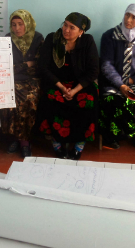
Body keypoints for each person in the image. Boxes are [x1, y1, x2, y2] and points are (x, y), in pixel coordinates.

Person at [37, 13, 99, 160]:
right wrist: (61, 87)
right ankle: (57, 142)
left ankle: (79, 144)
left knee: (88, 101)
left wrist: (76, 89)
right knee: (51, 100)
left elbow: (94, 70)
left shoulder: (87, 41)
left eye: (72, 27)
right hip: (57, 82)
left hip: (80, 84)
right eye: (65, 25)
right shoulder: (53, 39)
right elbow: (43, 67)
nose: (66, 30)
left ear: (81, 32)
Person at [99, 4, 135, 149]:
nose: (128, 20)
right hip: (113, 82)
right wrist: (121, 84)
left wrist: (132, 80)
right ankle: (112, 135)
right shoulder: (109, 36)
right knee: (111, 100)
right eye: (127, 15)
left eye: (134, 17)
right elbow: (106, 65)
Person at [0, 10, 44, 158]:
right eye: (13, 25)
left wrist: (19, 67)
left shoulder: (37, 38)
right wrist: (26, 65)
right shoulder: (7, 39)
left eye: (20, 24)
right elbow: (4, 66)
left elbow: (39, 65)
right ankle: (15, 139)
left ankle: (25, 141)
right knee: (8, 99)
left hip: (32, 80)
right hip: (11, 79)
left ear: (27, 23)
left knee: (28, 99)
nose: (17, 28)